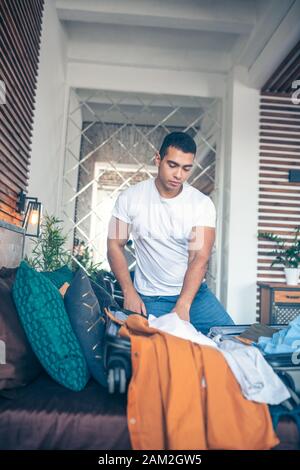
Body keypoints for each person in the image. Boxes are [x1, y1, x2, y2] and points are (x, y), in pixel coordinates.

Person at [107, 132, 234, 334]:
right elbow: (114, 244)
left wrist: (183, 304)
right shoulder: (130, 198)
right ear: (158, 159)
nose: (179, 175)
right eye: (172, 165)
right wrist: (129, 290)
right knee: (164, 353)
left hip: (195, 295)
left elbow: (199, 257)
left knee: (233, 339)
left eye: (186, 169)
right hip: (151, 297)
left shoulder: (201, 204)